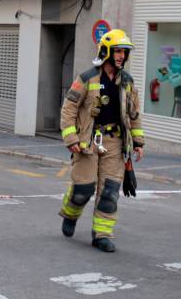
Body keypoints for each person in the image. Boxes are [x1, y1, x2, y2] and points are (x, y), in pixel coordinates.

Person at [58, 29, 145, 253]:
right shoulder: (87, 78)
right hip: (88, 142)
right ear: (106, 52)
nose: (121, 57)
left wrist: (138, 142)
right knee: (82, 190)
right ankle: (70, 214)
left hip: (115, 142)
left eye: (124, 53)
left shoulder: (127, 81)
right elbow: (69, 108)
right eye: (117, 51)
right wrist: (71, 138)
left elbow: (134, 113)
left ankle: (102, 235)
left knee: (110, 193)